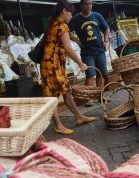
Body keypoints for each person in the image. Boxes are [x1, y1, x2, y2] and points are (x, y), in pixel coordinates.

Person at [41, 0, 96, 135]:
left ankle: (79, 117)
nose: (72, 16)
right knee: (52, 96)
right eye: (70, 13)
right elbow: (68, 49)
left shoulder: (52, 23)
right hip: (52, 66)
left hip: (50, 65)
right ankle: (59, 125)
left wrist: (76, 40)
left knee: (66, 91)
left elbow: (67, 39)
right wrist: (81, 63)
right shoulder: (62, 26)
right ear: (64, 11)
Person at [69, 0, 110, 107]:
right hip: (87, 53)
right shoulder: (76, 19)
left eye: (90, 4)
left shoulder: (97, 16)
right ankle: (89, 98)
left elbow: (106, 28)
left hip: (100, 51)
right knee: (90, 75)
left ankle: (99, 95)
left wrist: (105, 41)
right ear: (81, 6)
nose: (89, 6)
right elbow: (66, 32)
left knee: (101, 74)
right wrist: (77, 41)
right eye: (86, 4)